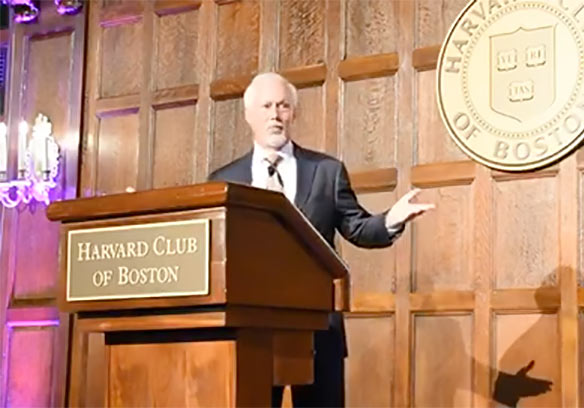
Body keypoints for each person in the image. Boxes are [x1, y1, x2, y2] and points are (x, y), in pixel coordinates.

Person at [208, 72, 434, 407]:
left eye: (283, 106)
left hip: (317, 328)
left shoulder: (326, 171)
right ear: (248, 114)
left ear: (294, 113)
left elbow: (357, 228)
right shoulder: (224, 180)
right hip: (249, 329)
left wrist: (390, 219)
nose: (275, 114)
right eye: (267, 106)